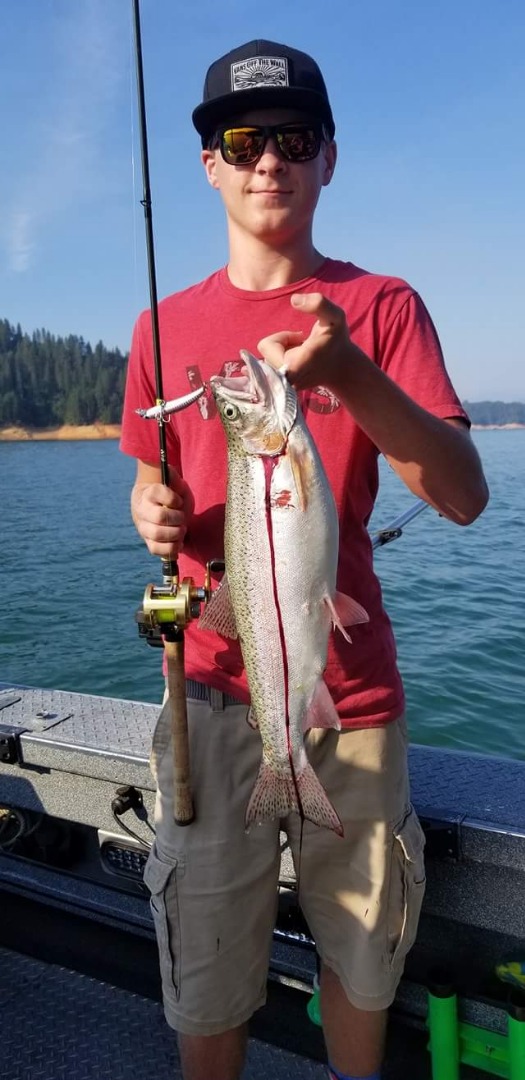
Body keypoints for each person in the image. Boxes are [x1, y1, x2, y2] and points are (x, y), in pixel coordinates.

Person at [120, 39, 489, 1080]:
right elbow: (148, 480)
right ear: (209, 164)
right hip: (206, 705)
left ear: (331, 157)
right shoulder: (160, 326)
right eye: (243, 141)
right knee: (206, 961)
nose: (267, 161)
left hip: (353, 709)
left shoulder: (382, 308)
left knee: (362, 962)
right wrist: (147, 504)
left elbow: (462, 496)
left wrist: (349, 372)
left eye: (294, 139)